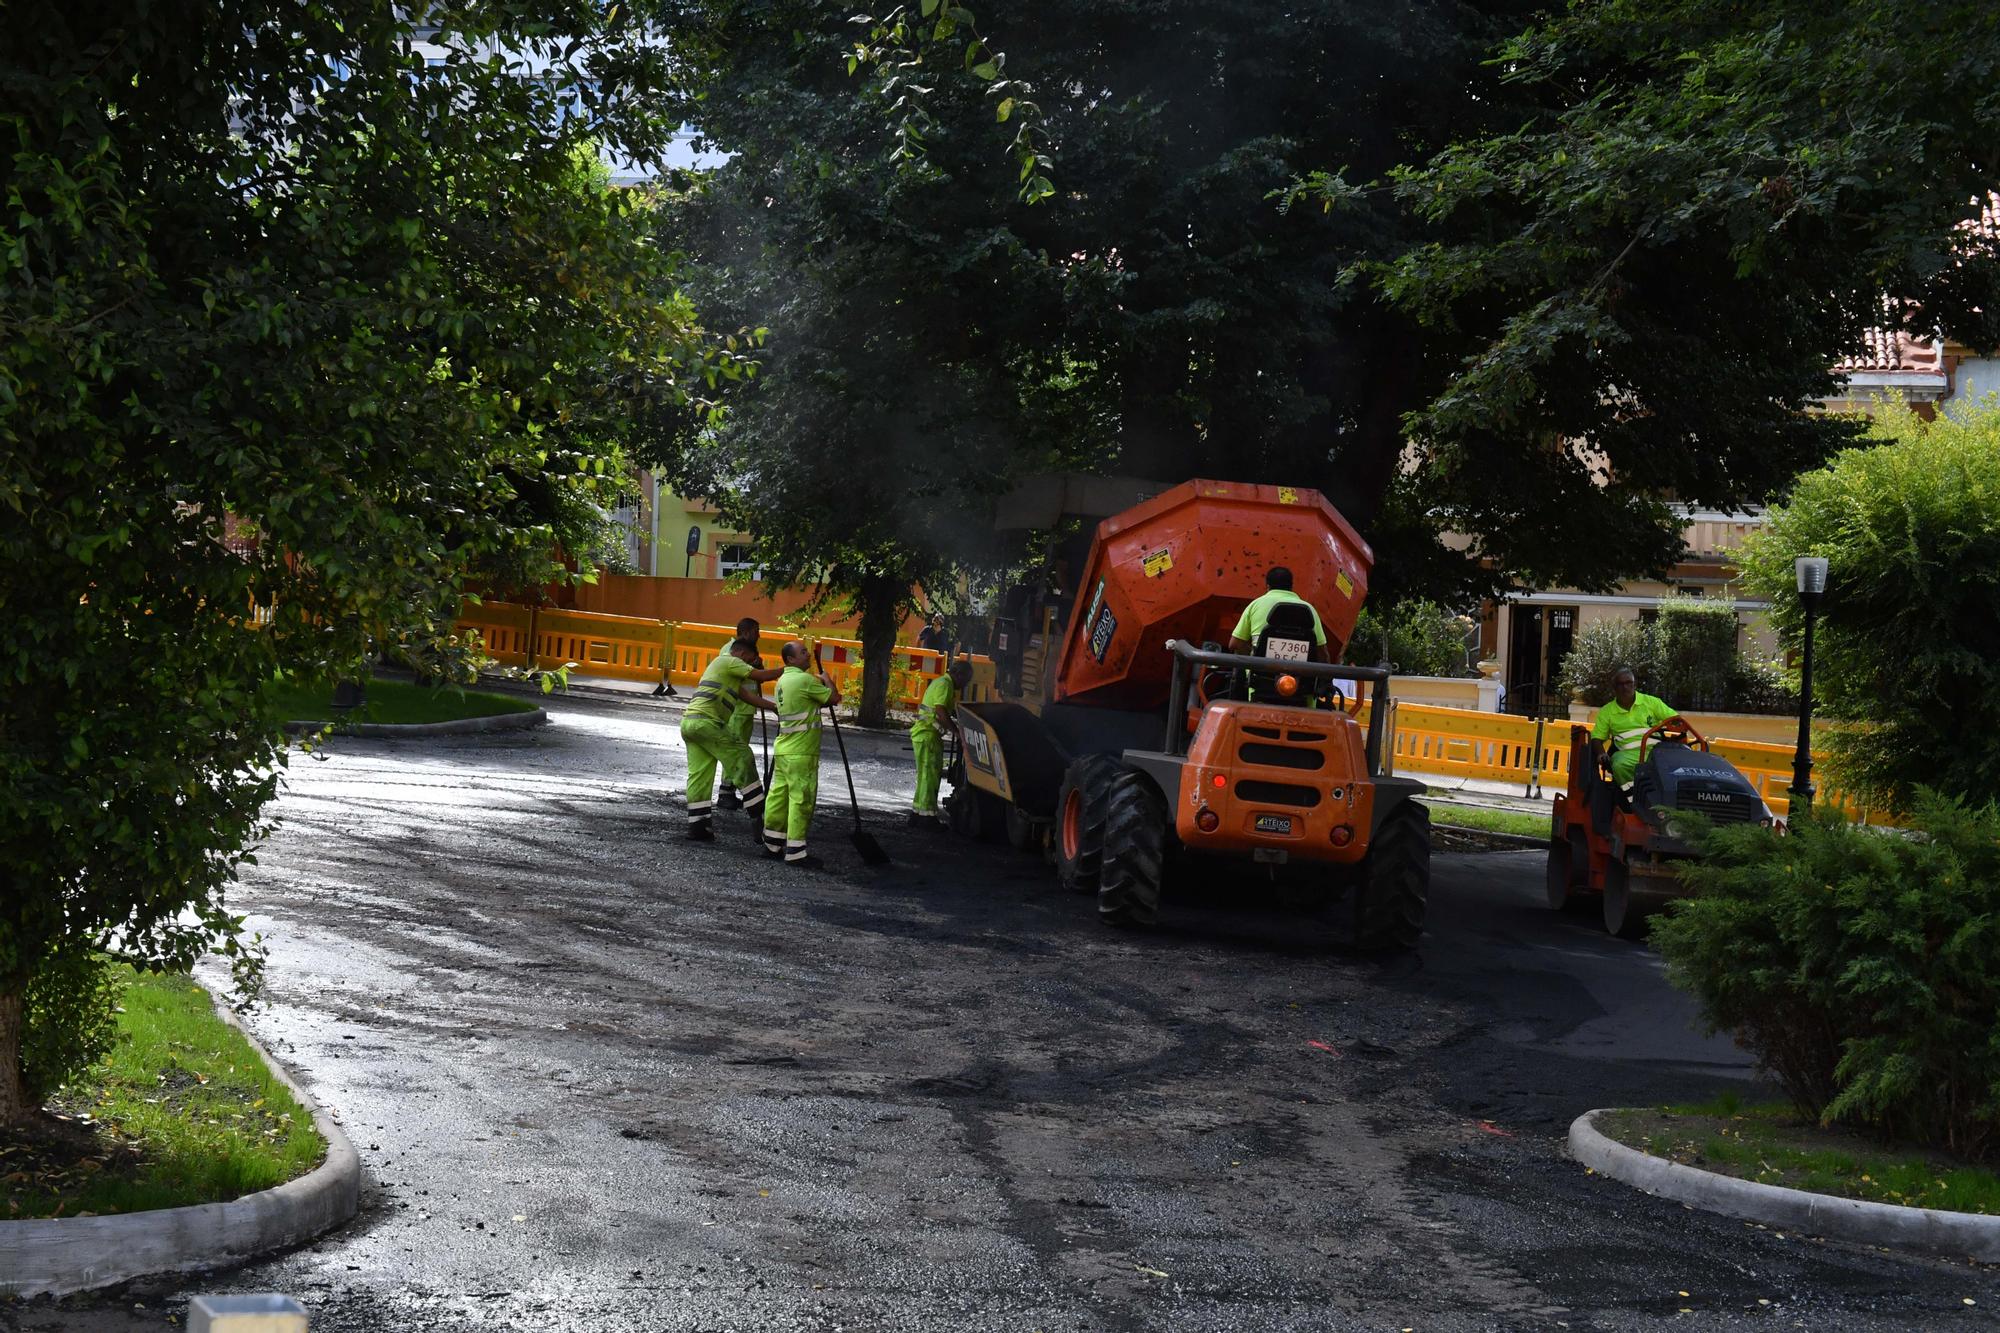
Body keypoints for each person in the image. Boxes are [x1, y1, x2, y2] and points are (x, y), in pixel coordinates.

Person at [681, 637, 781, 841]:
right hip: (708, 723)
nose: (751, 664)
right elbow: (760, 676)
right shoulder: (730, 660)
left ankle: (698, 827)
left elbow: (746, 696)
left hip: (690, 724)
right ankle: (758, 815)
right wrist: (788, 669)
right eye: (751, 660)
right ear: (743, 654)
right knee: (742, 756)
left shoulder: (724, 670)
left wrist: (772, 707)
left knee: (700, 774)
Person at [762, 641, 841, 868]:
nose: (807, 655)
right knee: (801, 798)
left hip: (784, 749)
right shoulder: (806, 680)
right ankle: (796, 851)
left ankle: (772, 843)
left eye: (807, 651)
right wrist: (827, 680)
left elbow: (811, 704)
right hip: (802, 751)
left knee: (778, 797)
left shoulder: (782, 682)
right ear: (790, 660)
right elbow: (834, 698)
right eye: (803, 652)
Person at [1587, 667, 1687, 830]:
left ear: (1635, 685)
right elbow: (1597, 737)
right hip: (1626, 755)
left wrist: (1675, 728)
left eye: (1629, 683)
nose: (1625, 687)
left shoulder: (1652, 703)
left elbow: (1676, 720)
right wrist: (1600, 753)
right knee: (1618, 765)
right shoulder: (1607, 711)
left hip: (1656, 753)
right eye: (1620, 684)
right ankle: (1636, 803)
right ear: (1615, 688)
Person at [909, 659, 973, 827]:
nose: (965, 685)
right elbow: (940, 711)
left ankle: (917, 814)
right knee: (931, 777)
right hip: (928, 735)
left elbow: (943, 711)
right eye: (965, 680)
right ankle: (928, 817)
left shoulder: (939, 682)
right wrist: (958, 733)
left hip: (923, 734)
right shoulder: (946, 685)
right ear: (958, 674)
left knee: (924, 777)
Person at [1227, 566, 1330, 663]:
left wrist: (1253, 655)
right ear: (1291, 586)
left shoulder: (1256, 605)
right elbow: (1322, 653)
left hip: (1259, 675)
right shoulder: (1310, 609)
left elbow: (1235, 644)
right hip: (1299, 678)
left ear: (1268, 586)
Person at [716, 616, 763, 810]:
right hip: (736, 708)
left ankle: (730, 790)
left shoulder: (746, 652)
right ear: (746, 632)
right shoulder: (732, 650)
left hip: (745, 710)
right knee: (735, 750)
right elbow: (743, 674)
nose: (759, 635)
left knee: (739, 749)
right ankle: (726, 791)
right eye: (756, 631)